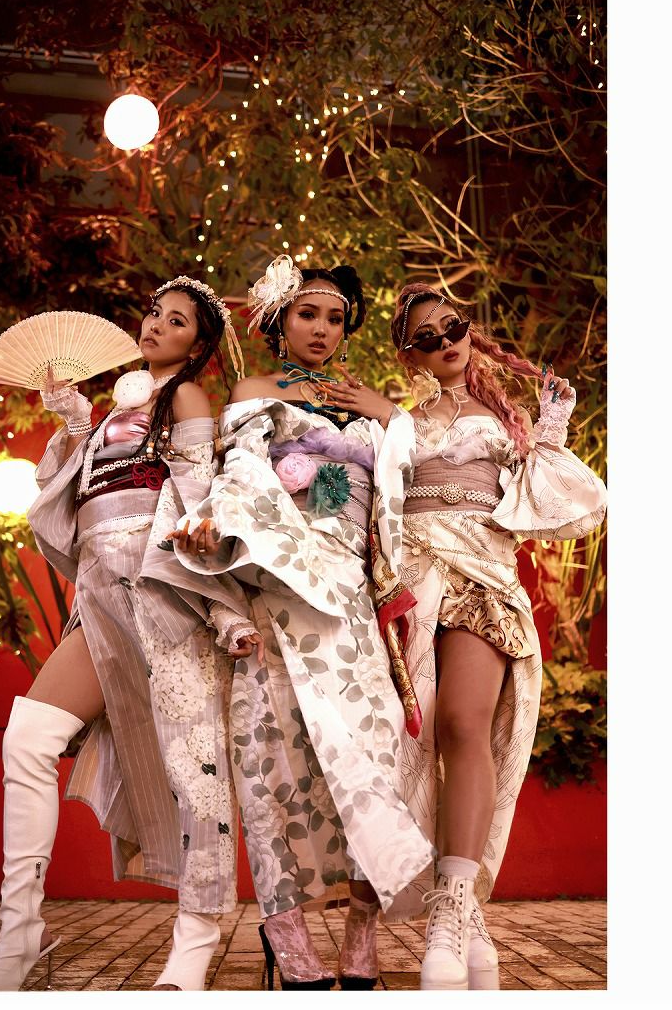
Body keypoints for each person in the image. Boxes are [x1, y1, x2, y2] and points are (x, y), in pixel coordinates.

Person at [0, 277, 260, 991]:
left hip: (165, 589)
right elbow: (75, 499)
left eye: (177, 320)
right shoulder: (114, 408)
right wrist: (77, 425)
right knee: (28, 739)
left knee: (195, 768)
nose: (156, 324)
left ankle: (193, 946)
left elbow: (199, 495)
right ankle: (20, 931)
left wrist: (222, 602)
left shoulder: (186, 398)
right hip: (101, 591)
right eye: (154, 312)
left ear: (199, 343)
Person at [327, 282, 607, 991]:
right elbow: (368, 500)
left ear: (468, 329)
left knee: (462, 723)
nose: (445, 341)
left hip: (481, 578)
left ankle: (452, 909)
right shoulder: (398, 420)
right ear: (409, 355)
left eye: (452, 326)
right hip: (411, 586)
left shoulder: (506, 420)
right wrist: (386, 420)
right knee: (404, 741)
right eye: (426, 337)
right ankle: (459, 916)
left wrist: (550, 427)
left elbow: (550, 497)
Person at [169, 254, 434, 990]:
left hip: (352, 594)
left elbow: (404, 480)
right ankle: (286, 934)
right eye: (308, 314)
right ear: (279, 319)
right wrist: (219, 524)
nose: (321, 329)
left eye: (335, 318)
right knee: (273, 754)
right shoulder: (254, 391)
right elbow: (240, 477)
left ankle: (361, 936)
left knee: (374, 752)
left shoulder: (365, 400)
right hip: (284, 581)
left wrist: (391, 417)